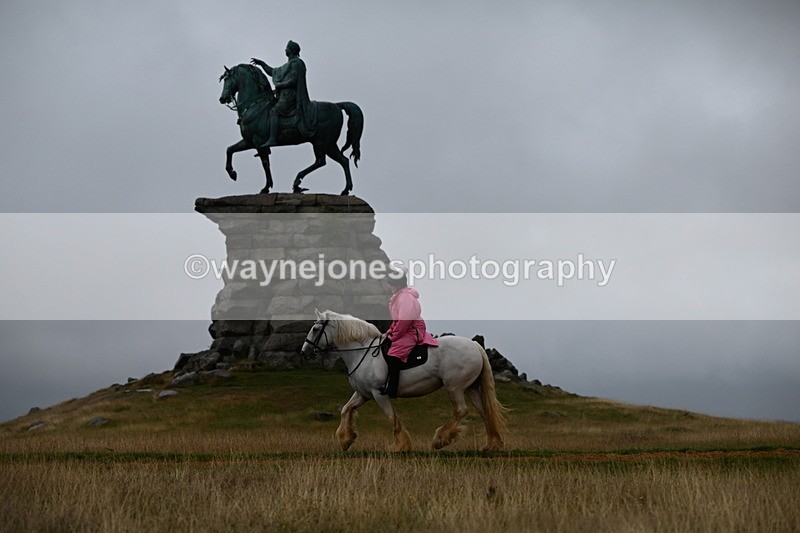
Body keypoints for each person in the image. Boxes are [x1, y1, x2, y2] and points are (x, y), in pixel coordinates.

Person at [380, 270, 439, 398]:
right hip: (406, 328)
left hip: (411, 330)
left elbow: (405, 320)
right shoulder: (399, 296)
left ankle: (393, 389)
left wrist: (395, 335)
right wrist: (390, 331)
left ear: (396, 284)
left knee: (393, 354)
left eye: (390, 283)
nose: (389, 286)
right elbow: (397, 320)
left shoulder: (405, 298)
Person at [250, 40, 317, 147]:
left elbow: (294, 80)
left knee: (274, 111)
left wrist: (280, 85)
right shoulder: (287, 65)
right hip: (283, 96)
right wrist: (261, 64)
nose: (285, 49)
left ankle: (272, 139)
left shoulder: (297, 63)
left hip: (291, 97)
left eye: (287, 48)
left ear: (291, 50)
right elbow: (272, 72)